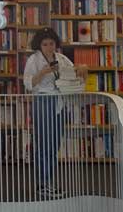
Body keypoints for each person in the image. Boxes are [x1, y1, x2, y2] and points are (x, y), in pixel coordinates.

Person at [23, 28, 87, 200]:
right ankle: (42, 183)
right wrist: (43, 72)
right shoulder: (33, 60)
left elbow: (74, 74)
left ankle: (49, 182)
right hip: (43, 101)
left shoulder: (61, 58)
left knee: (54, 144)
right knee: (44, 144)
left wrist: (81, 69)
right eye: (45, 44)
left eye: (51, 43)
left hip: (59, 103)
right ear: (39, 45)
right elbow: (28, 84)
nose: (49, 47)